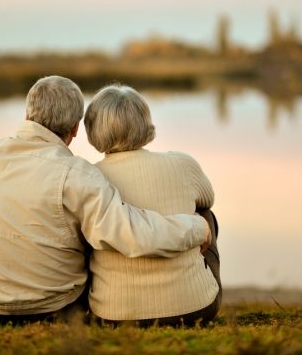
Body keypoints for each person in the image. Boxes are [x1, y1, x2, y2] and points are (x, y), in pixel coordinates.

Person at [0, 76, 211, 324]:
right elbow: (130, 233)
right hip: (54, 307)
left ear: (27, 116)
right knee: (88, 224)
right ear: (76, 128)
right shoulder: (76, 174)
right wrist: (198, 226)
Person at [84, 85, 221, 326]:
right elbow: (207, 199)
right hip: (194, 309)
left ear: (92, 129)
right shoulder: (182, 164)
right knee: (205, 214)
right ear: (145, 123)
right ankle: (191, 284)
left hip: (113, 314)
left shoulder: (88, 178)